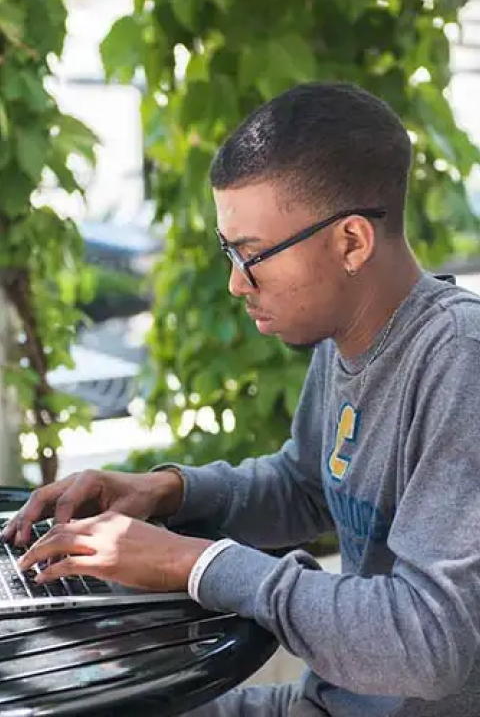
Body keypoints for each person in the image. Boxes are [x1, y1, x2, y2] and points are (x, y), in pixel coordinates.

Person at [3, 82, 480, 717]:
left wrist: (193, 563)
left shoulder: (459, 364)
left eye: (252, 256)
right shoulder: (345, 339)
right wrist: (170, 492)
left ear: (352, 243)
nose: (235, 282)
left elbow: (427, 642)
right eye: (230, 252)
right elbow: (308, 485)